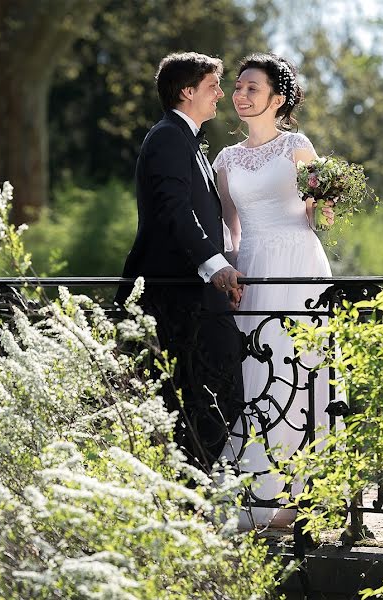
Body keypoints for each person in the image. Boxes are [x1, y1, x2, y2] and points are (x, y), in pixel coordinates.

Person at [211, 53, 339, 528]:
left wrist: (326, 198)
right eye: (238, 87)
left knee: (301, 367)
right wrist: (229, 270)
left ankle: (307, 493)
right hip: (254, 266)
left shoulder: (297, 147)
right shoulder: (225, 158)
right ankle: (259, 488)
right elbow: (231, 229)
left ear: (277, 99)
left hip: (299, 262)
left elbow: (317, 219)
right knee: (256, 372)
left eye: (252, 88)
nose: (241, 96)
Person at [115, 52, 245, 474]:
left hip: (192, 294)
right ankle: (188, 496)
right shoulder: (169, 137)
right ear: (187, 92)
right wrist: (217, 266)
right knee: (208, 396)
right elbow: (174, 210)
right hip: (176, 296)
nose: (221, 95)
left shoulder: (185, 138)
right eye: (213, 87)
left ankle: (189, 495)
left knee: (201, 398)